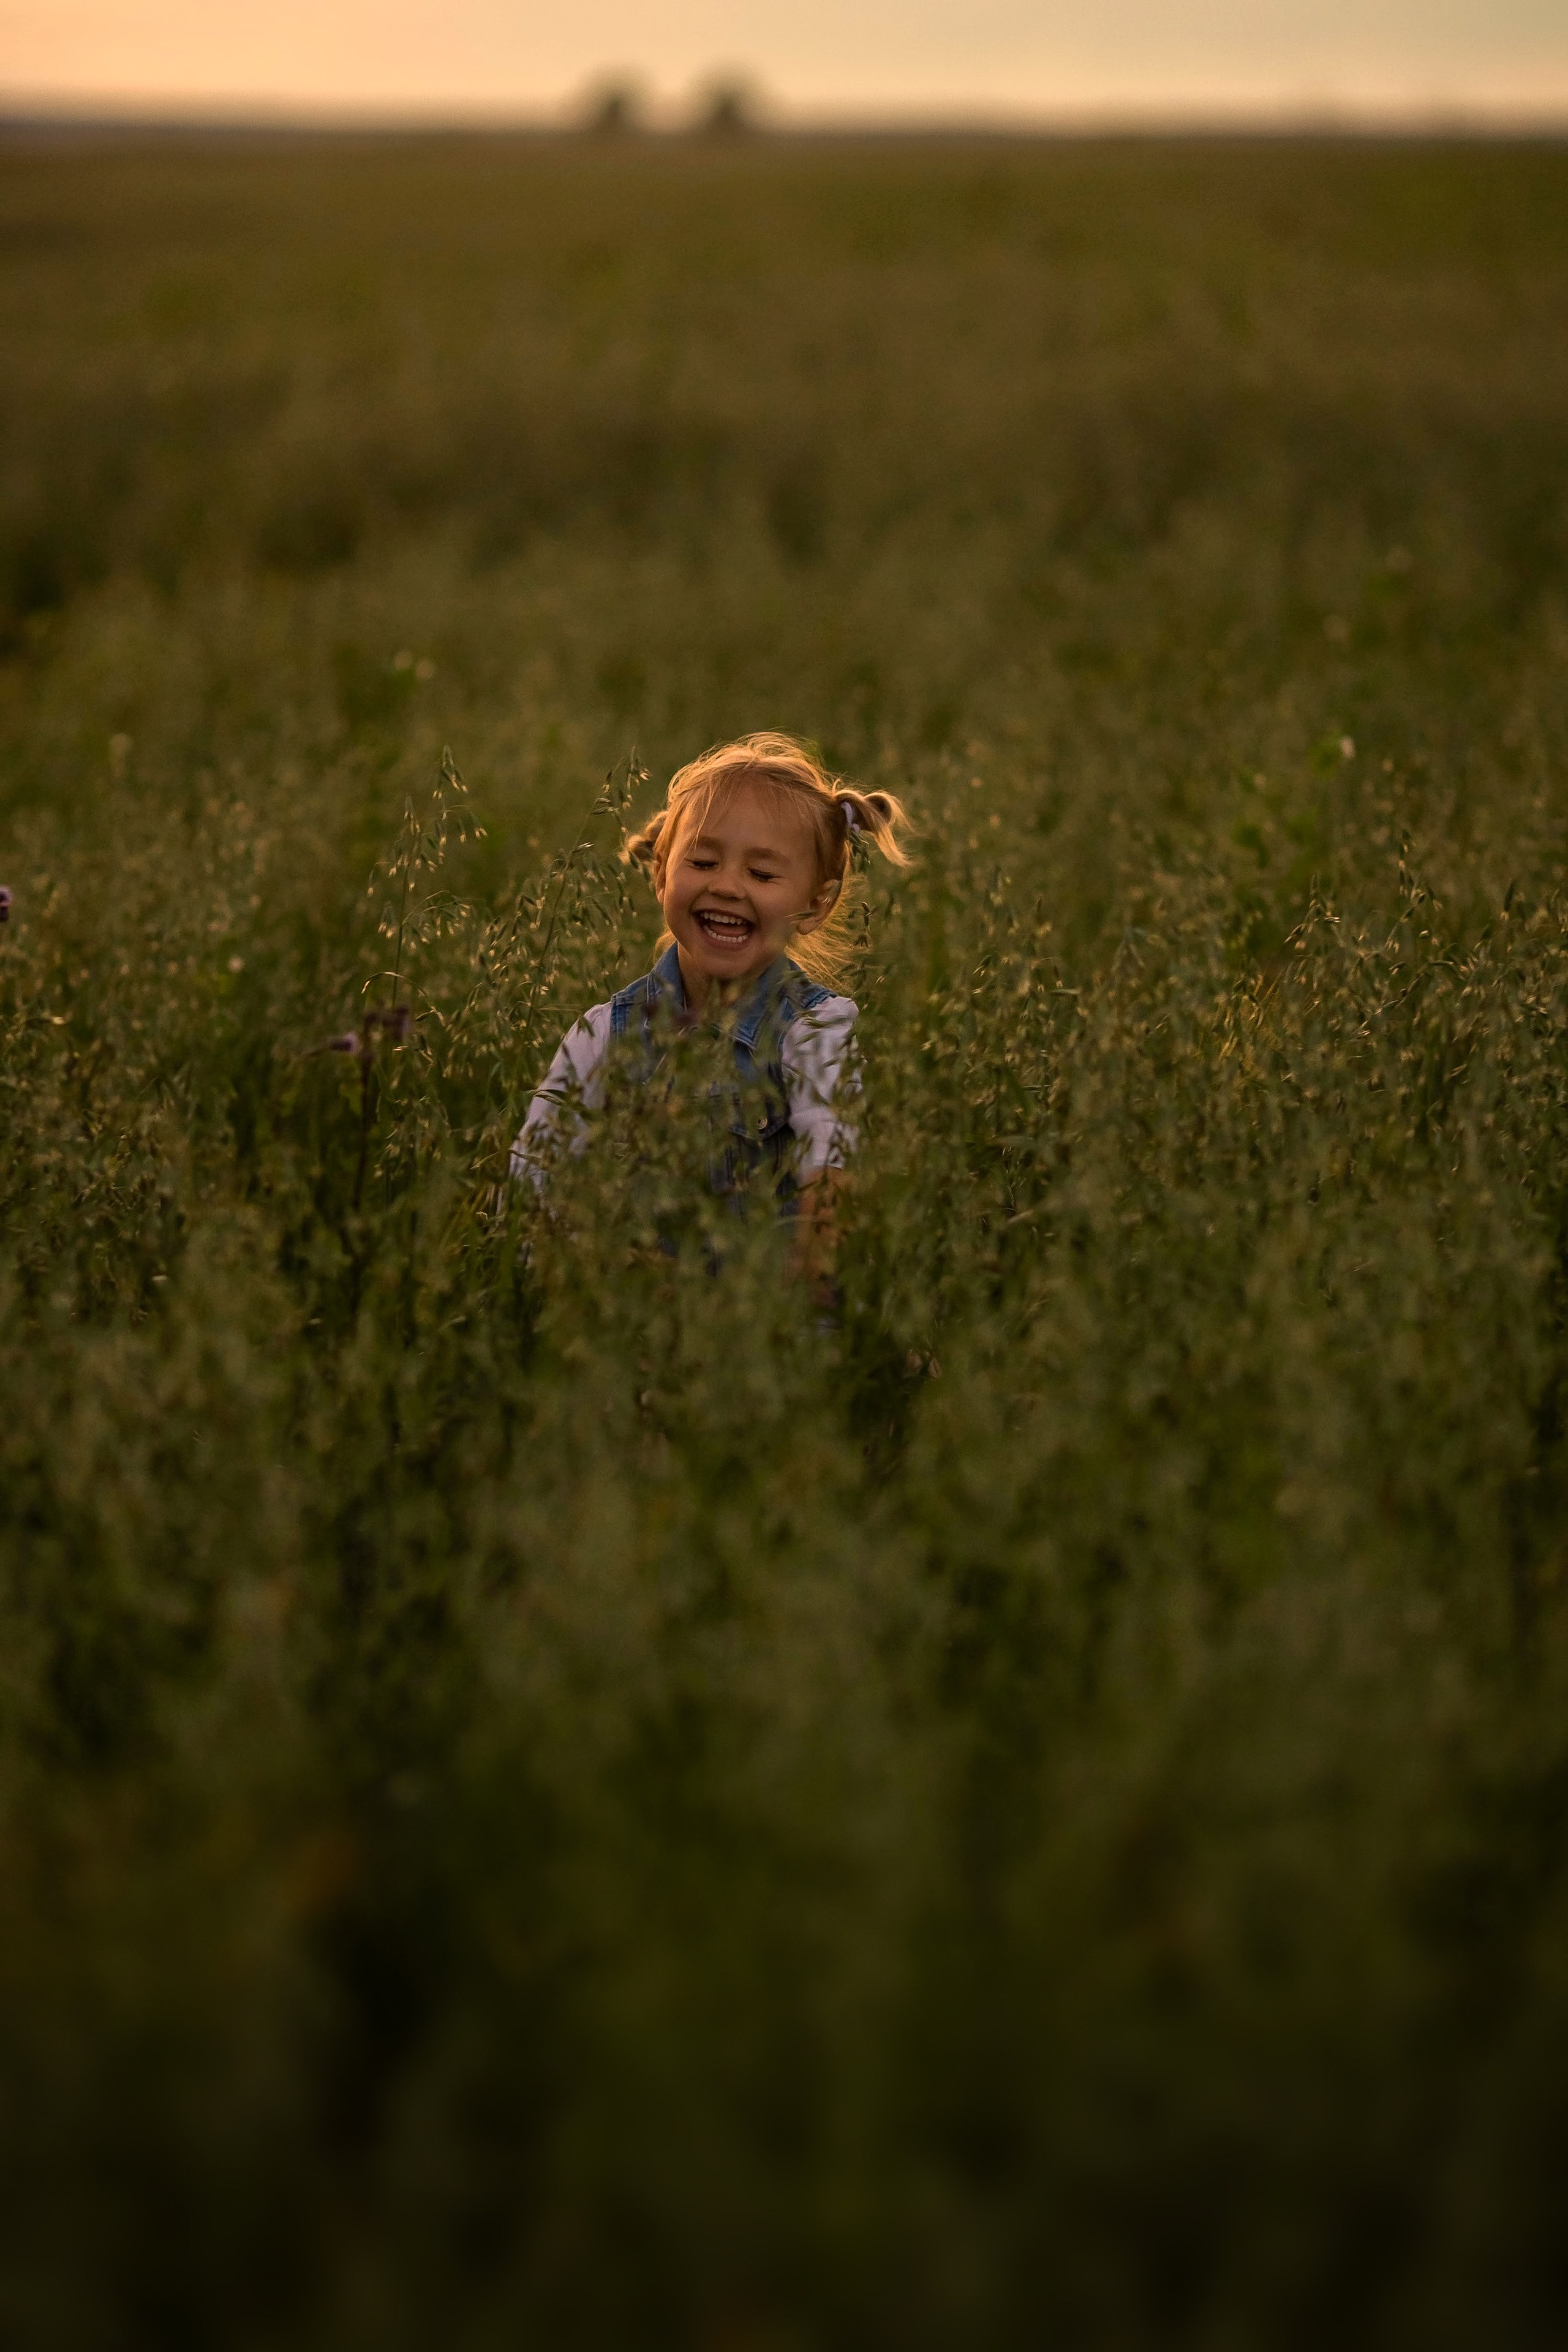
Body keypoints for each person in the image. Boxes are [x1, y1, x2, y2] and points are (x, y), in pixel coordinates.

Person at [510, 733, 910, 1286]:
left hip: (769, 1311)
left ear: (817, 904)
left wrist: (797, 1307)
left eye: (762, 874)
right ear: (661, 874)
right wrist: (584, 1271)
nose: (726, 887)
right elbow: (534, 1177)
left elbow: (832, 1176)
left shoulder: (815, 1030)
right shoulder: (605, 1033)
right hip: (628, 1307)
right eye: (702, 862)